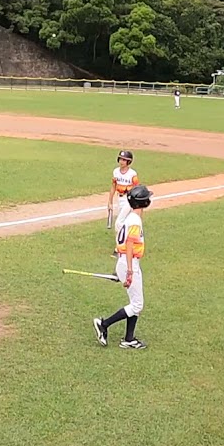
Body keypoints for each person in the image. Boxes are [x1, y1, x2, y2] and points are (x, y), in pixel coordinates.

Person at [93, 184, 152, 350]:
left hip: (124, 262)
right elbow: (130, 245)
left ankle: (129, 339)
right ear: (144, 202)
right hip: (129, 263)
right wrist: (130, 271)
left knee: (135, 302)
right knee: (137, 305)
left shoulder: (130, 218)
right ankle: (104, 324)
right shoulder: (135, 221)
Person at [108, 150, 139, 238]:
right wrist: (110, 202)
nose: (121, 162)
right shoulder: (116, 172)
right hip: (120, 198)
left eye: (124, 160)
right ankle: (128, 240)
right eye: (120, 159)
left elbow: (137, 188)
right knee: (125, 221)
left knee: (119, 222)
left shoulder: (132, 174)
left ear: (129, 161)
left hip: (128, 200)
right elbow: (113, 187)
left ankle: (119, 243)